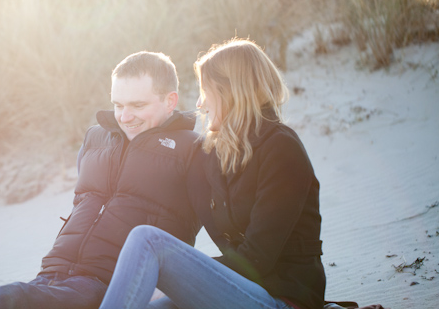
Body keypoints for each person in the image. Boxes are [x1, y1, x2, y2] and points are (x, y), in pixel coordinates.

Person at [0, 51, 201, 309]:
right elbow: (84, 203)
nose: (124, 117)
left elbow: (227, 240)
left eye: (137, 106)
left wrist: (168, 288)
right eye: (118, 105)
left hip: (111, 285)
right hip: (53, 273)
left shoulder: (192, 150)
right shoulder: (95, 138)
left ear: (170, 101)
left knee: (12, 300)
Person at [99, 38, 326, 309]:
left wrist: (170, 274)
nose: (200, 103)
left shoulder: (281, 148)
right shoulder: (212, 155)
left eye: (206, 91)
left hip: (282, 299)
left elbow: (257, 259)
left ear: (231, 91)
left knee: (147, 239)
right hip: (237, 293)